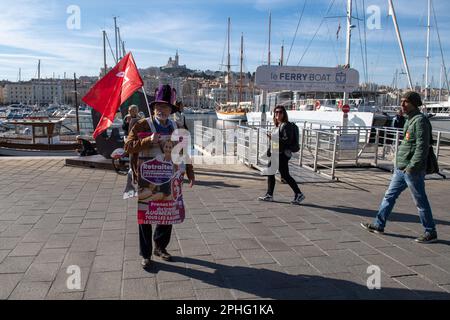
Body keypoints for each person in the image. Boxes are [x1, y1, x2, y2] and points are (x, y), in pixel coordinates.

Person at [125, 84, 195, 268]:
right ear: (153, 107)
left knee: (167, 214)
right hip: (146, 178)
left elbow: (184, 151)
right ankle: (146, 254)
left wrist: (190, 172)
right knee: (145, 216)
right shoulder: (141, 124)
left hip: (170, 176)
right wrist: (148, 140)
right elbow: (128, 147)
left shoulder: (177, 126)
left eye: (165, 107)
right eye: (158, 106)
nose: (161, 110)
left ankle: (160, 247)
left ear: (171, 110)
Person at [361, 91, 438, 243]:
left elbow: (422, 147)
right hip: (401, 168)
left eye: (406, 102)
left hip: (412, 170)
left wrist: (412, 166)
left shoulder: (420, 121)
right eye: (402, 101)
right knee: (389, 196)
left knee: (420, 201)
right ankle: (378, 224)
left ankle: (430, 231)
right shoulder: (410, 120)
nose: (402, 104)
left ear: (414, 104)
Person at [258, 105, 305, 205]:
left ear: (284, 114)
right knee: (274, 173)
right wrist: (269, 151)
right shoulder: (278, 125)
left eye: (280, 112)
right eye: (276, 112)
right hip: (276, 154)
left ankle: (298, 194)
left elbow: (286, 141)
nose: (278, 114)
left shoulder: (286, 125)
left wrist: (273, 138)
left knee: (285, 175)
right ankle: (269, 195)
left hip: (281, 155)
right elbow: (276, 141)